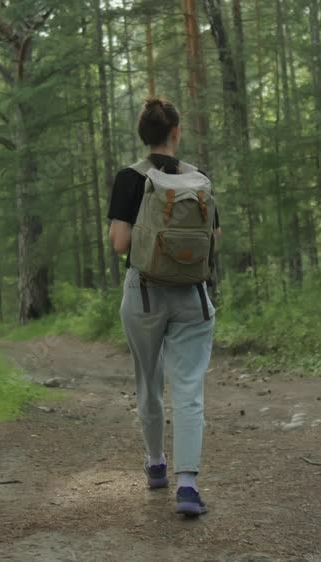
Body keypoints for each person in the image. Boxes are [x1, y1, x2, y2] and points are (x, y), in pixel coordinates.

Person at [107, 97, 220, 516]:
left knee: (149, 379)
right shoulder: (200, 179)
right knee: (189, 387)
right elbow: (214, 241)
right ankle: (187, 486)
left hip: (145, 295)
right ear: (176, 133)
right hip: (192, 295)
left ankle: (156, 464)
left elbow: (119, 243)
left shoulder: (129, 178)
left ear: (144, 137)